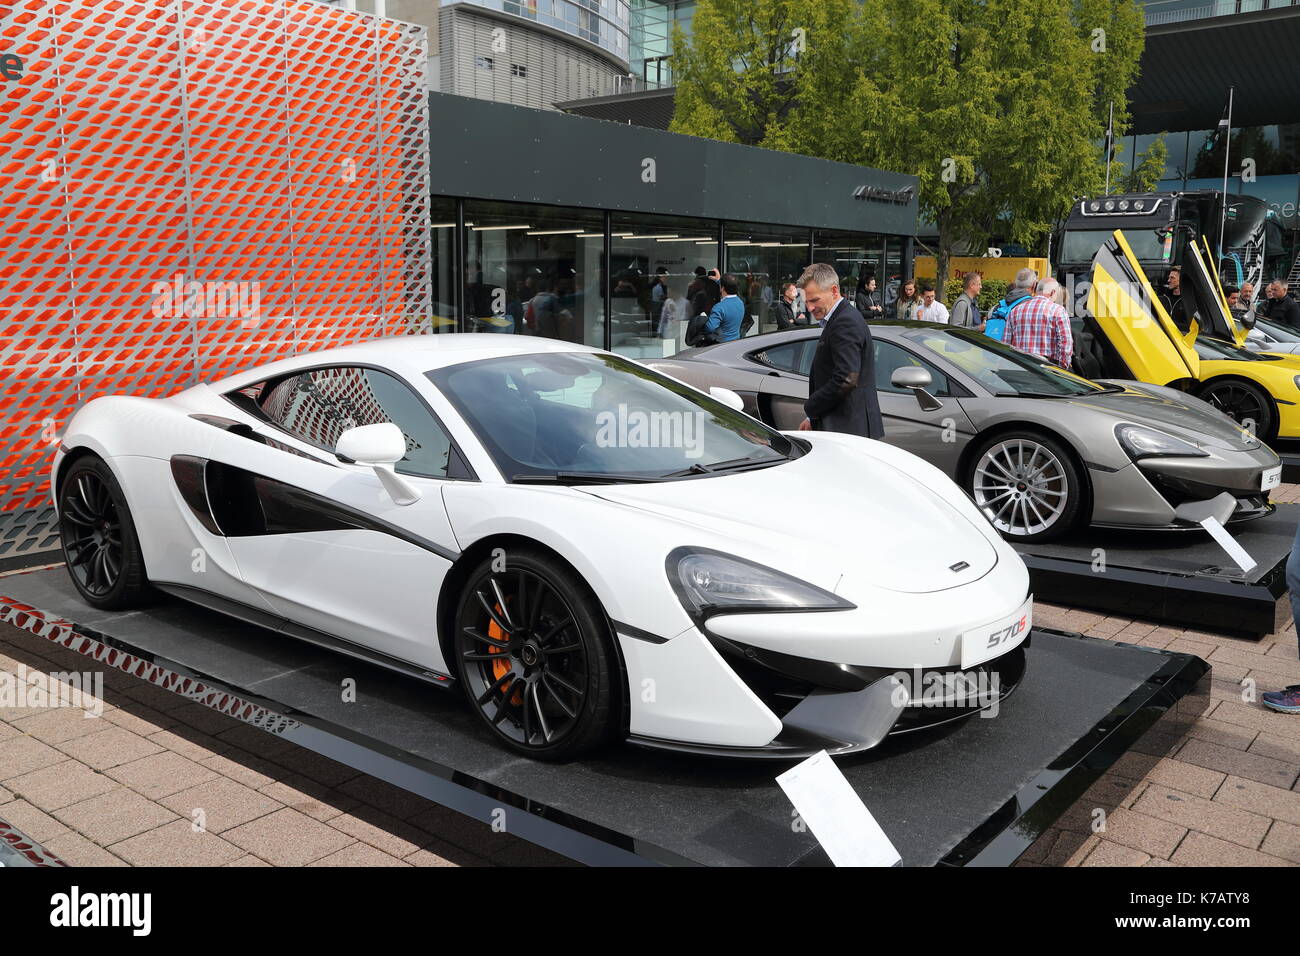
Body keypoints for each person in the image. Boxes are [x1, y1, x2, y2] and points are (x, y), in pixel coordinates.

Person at [795, 263, 884, 439]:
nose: (810, 308)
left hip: (848, 430)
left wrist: (811, 407)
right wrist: (812, 417)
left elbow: (846, 378)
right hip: (847, 427)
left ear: (834, 291)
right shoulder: (841, 318)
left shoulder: (845, 322)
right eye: (806, 302)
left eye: (814, 300)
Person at [1006, 277, 1074, 368]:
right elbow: (1066, 344)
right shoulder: (1058, 311)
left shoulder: (1015, 311)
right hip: (1047, 370)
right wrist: (1062, 368)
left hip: (1019, 367)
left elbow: (1006, 343)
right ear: (1053, 292)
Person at [702, 273, 745, 343]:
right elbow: (730, 287)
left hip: (722, 346)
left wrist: (703, 318)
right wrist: (719, 281)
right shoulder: (740, 302)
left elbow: (710, 328)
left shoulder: (719, 307)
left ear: (722, 288)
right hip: (736, 343)